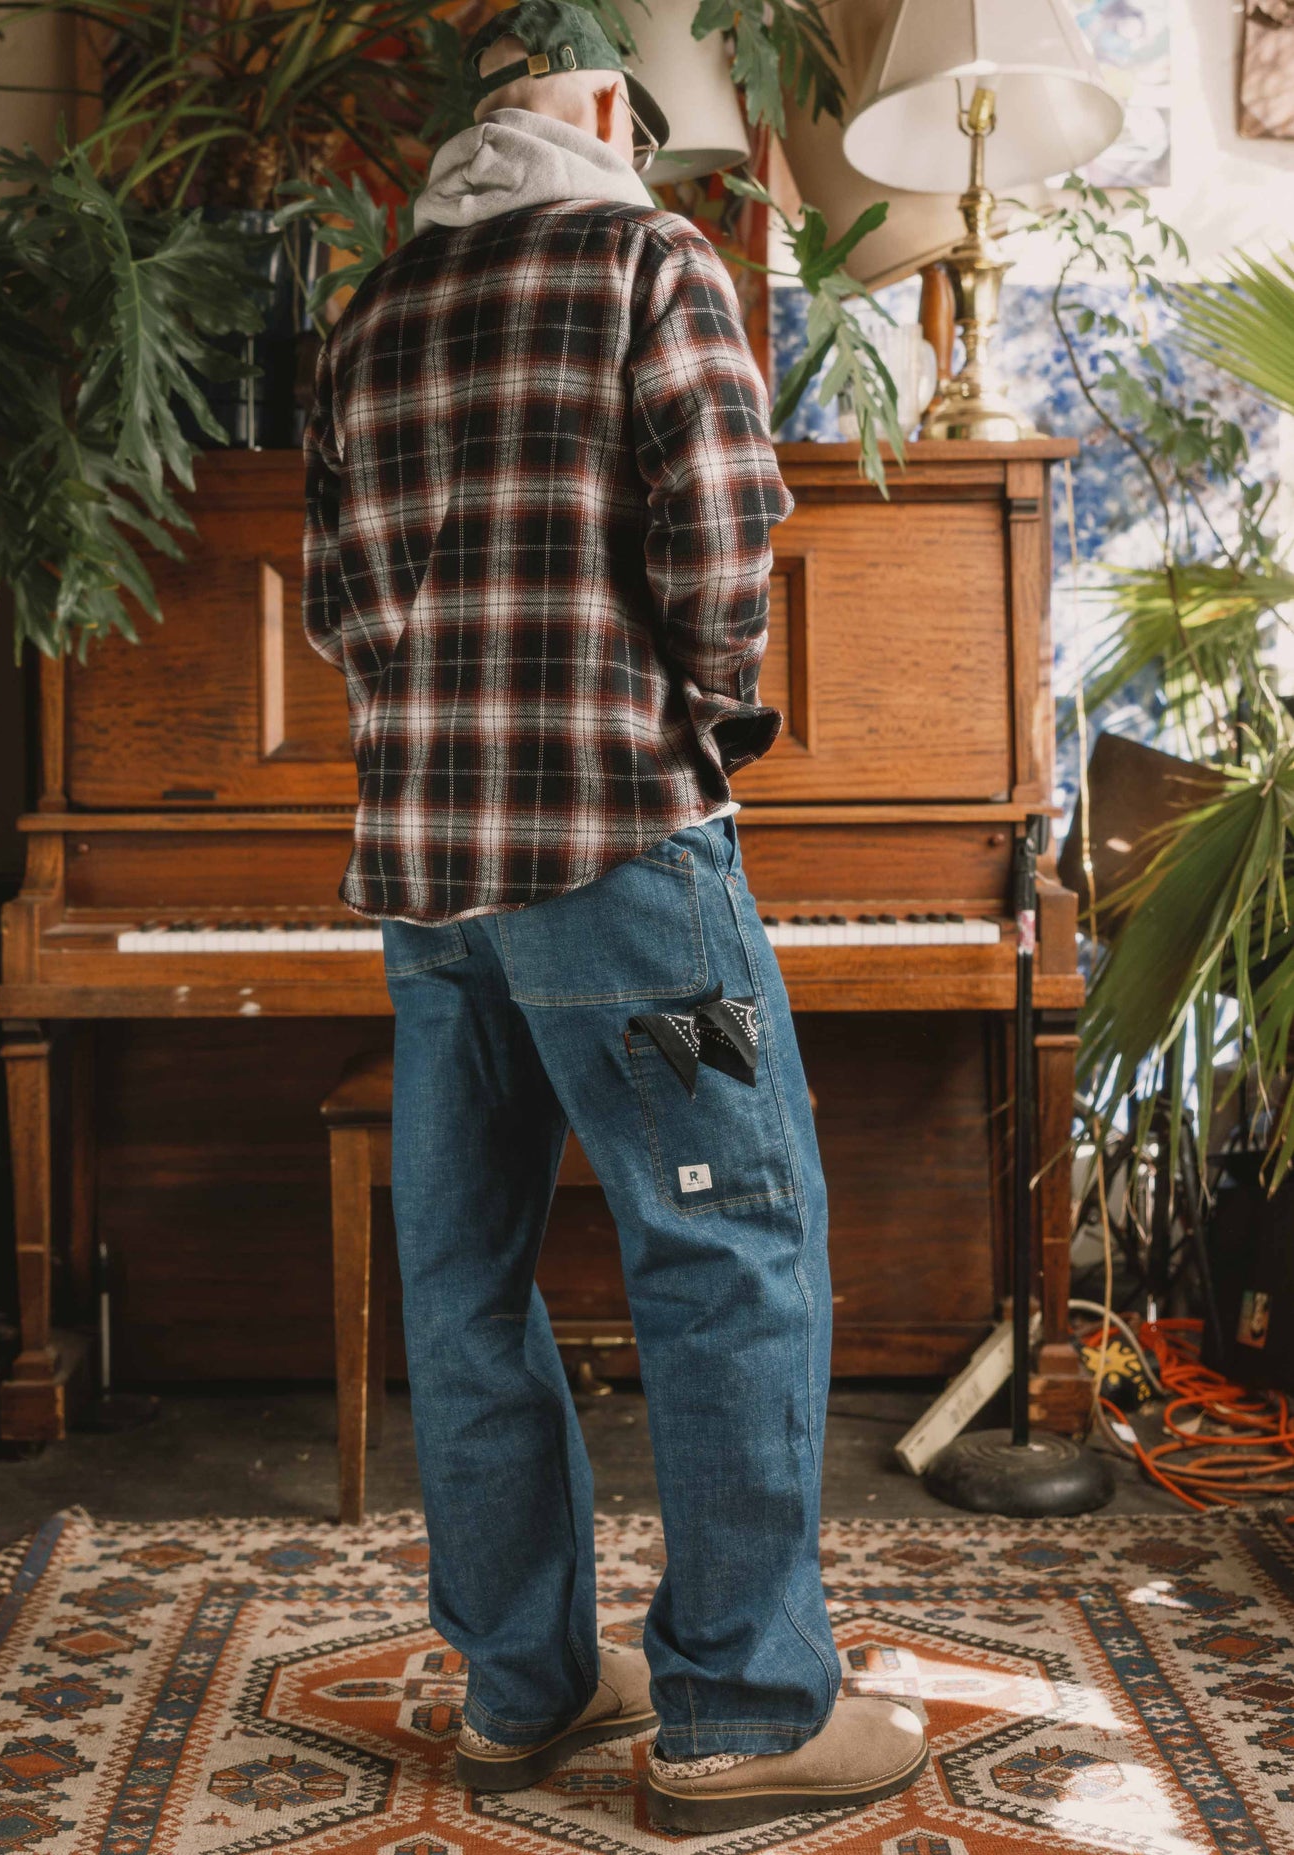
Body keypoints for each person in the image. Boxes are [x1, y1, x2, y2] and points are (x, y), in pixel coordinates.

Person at [301, 0, 927, 1828]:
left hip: (431, 878)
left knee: (462, 1282)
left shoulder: (370, 312)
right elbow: (725, 533)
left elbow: (340, 605)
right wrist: (696, 719)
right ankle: (741, 1717)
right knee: (731, 1254)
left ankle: (523, 1688)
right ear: (600, 106)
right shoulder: (650, 260)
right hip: (611, 849)